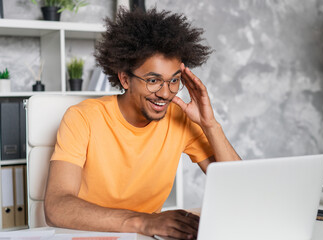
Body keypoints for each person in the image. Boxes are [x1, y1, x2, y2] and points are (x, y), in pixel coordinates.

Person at [44, 7, 241, 240]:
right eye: (153, 80)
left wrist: (210, 124)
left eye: (174, 81)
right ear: (125, 78)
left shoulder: (180, 119)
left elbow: (239, 189)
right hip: (90, 235)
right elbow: (56, 207)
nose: (165, 93)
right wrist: (144, 222)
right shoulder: (83, 118)